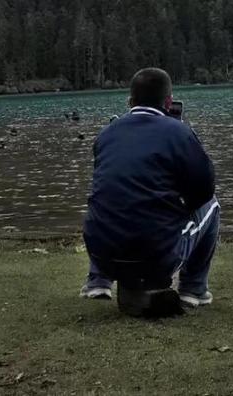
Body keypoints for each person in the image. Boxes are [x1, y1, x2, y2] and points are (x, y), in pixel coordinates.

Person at [79, 67, 219, 308]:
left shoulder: (106, 134)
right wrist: (178, 205)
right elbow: (204, 189)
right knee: (212, 205)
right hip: (157, 260)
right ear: (169, 101)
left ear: (130, 101)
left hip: (103, 256)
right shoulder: (179, 132)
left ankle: (97, 282)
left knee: (111, 198)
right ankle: (193, 289)